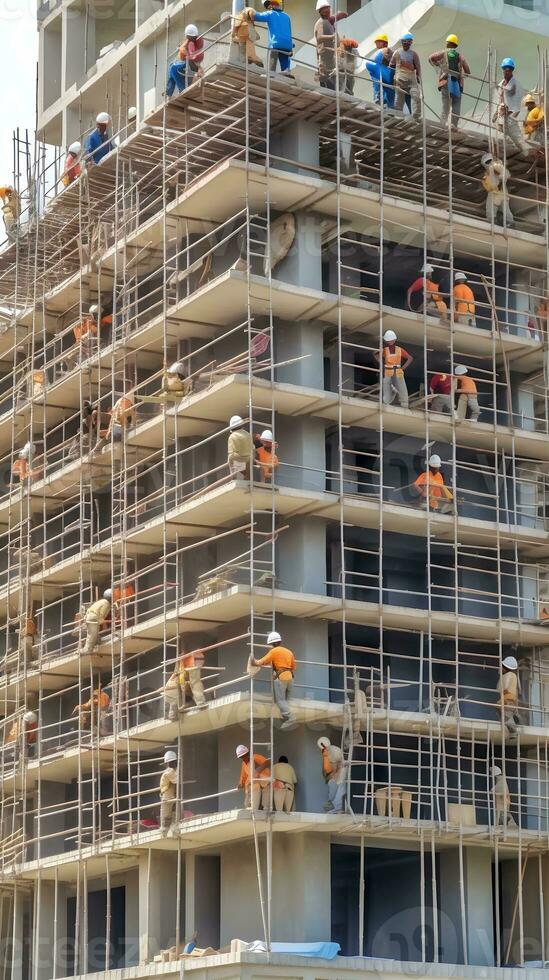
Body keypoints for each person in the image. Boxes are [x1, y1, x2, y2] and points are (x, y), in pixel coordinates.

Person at [249, 630, 297, 728]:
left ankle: (290, 717)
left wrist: (253, 661)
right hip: (290, 678)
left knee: (279, 701)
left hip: (281, 678)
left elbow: (262, 661)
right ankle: (284, 717)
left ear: (273, 643)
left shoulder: (274, 651)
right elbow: (294, 667)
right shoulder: (289, 651)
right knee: (285, 701)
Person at [429, 35, 470, 128]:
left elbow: (430, 58)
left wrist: (438, 66)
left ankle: (442, 124)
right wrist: (461, 75)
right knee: (456, 104)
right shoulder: (460, 56)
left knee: (445, 106)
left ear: (448, 43)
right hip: (457, 84)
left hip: (445, 82)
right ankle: (453, 125)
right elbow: (468, 71)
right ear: (455, 45)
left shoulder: (442, 53)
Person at [496, 59, 527, 157]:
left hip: (510, 115)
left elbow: (516, 101)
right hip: (502, 116)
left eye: (508, 69)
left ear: (512, 70)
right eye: (505, 69)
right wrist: (496, 114)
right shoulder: (502, 83)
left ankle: (526, 155)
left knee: (518, 139)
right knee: (501, 136)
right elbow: (500, 100)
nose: (506, 71)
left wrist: (510, 112)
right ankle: (505, 155)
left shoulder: (514, 83)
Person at [374, 330, 413, 409]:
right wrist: (381, 363)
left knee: (401, 387)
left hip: (398, 370)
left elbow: (410, 358)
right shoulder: (385, 350)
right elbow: (376, 355)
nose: (390, 341)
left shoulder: (399, 349)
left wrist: (402, 368)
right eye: (388, 340)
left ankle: (404, 404)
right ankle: (386, 402)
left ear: (394, 340)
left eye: (391, 340)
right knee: (386, 386)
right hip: (388, 370)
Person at [164, 649, 207, 720]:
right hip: (193, 661)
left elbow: (177, 673)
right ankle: (200, 703)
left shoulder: (182, 659)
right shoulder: (183, 659)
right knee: (195, 683)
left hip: (192, 662)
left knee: (194, 683)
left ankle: (200, 703)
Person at [254, 0, 293, 75]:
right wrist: (291, 48)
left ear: (271, 5)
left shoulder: (270, 13)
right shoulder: (287, 16)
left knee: (272, 67)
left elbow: (256, 16)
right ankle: (287, 72)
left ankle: (271, 73)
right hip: (288, 46)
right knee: (285, 67)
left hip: (275, 45)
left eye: (267, 5)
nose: (267, 7)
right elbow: (289, 32)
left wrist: (248, 10)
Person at [166, 25, 204, 97]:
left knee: (173, 68)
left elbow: (183, 49)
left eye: (187, 36)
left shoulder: (192, 42)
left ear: (190, 36)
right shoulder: (194, 40)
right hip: (189, 62)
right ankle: (168, 92)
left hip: (191, 63)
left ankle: (181, 89)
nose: (187, 37)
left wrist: (188, 55)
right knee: (172, 67)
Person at [390, 33, 421, 119]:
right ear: (402, 42)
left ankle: (416, 116)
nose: (406, 44)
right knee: (399, 100)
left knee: (416, 97)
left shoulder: (414, 54)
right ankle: (397, 117)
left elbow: (418, 67)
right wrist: (392, 79)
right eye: (405, 42)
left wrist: (419, 77)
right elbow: (391, 66)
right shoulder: (397, 53)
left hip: (411, 81)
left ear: (411, 43)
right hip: (400, 80)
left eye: (408, 42)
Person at [481, 152, 513, 227]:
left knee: (504, 210)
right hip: (495, 192)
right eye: (487, 162)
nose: (488, 163)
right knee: (493, 211)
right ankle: (494, 223)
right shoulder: (488, 171)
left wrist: (501, 176)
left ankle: (510, 223)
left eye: (489, 161)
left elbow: (506, 174)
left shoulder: (496, 166)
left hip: (500, 192)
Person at [236, 744, 271, 810]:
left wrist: (257, 771)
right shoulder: (244, 764)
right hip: (253, 785)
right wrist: (240, 783)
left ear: (247, 753)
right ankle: (252, 807)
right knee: (249, 804)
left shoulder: (255, 757)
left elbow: (267, 762)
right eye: (241, 757)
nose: (243, 758)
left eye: (244, 756)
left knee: (266, 805)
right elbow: (243, 776)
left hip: (264, 781)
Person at [317, 736, 347, 813]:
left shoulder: (331, 752)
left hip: (337, 775)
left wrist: (329, 777)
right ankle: (336, 809)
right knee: (339, 792)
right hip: (341, 774)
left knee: (334, 794)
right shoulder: (334, 749)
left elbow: (332, 768)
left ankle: (335, 810)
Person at [366, 33, 394, 107]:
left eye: (379, 41)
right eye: (376, 42)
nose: (377, 43)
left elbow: (392, 61)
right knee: (379, 88)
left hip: (382, 73)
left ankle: (384, 104)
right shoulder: (378, 51)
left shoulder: (386, 49)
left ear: (385, 43)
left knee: (384, 89)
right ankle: (381, 104)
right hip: (377, 73)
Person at [314, 2, 336, 89]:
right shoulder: (321, 22)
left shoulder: (329, 23)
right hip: (324, 55)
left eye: (328, 9)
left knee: (332, 78)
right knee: (325, 78)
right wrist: (331, 37)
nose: (328, 11)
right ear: (321, 11)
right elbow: (319, 37)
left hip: (331, 55)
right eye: (325, 10)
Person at [497, 654, 520, 737]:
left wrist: (504, 698)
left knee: (505, 712)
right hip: (510, 698)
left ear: (505, 667)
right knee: (503, 710)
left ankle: (513, 730)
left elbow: (505, 688)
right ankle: (511, 724)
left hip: (508, 697)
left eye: (502, 666)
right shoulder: (513, 676)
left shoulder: (509, 675)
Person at [82, 590, 112, 655]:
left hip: (89, 616)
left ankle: (97, 641)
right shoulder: (106, 603)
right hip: (93, 618)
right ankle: (87, 650)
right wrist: (110, 621)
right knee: (92, 634)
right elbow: (101, 616)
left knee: (94, 632)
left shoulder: (101, 601)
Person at [159, 750, 178, 832]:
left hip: (171, 793)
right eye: (171, 762)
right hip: (167, 795)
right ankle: (164, 829)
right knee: (166, 813)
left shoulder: (171, 770)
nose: (172, 763)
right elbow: (176, 780)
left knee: (174, 810)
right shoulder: (168, 772)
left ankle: (174, 825)